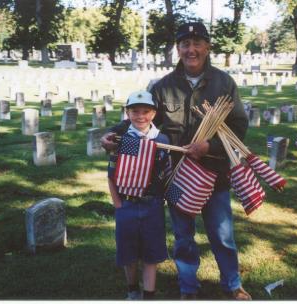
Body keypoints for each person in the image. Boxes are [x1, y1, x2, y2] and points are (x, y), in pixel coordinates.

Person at [102, 22, 251, 300]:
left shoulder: (223, 83)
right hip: (176, 177)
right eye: (185, 44)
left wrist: (209, 146)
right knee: (183, 236)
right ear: (178, 48)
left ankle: (232, 284)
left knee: (222, 235)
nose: (191, 50)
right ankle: (188, 288)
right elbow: (142, 119)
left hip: (214, 173)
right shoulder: (163, 86)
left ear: (207, 47)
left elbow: (239, 127)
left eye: (197, 43)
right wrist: (112, 134)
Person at [107, 90, 170, 300]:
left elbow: (167, 174)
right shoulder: (124, 140)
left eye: (146, 111)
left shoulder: (162, 140)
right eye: (135, 111)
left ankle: (149, 296)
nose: (140, 116)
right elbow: (112, 174)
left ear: (153, 114)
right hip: (127, 204)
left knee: (151, 254)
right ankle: (133, 290)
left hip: (153, 205)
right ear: (127, 112)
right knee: (129, 253)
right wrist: (118, 204)